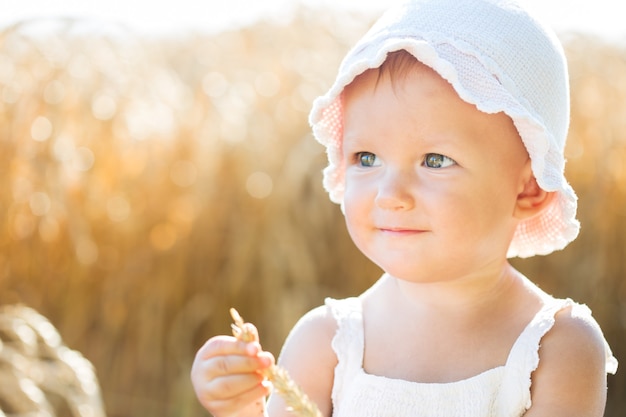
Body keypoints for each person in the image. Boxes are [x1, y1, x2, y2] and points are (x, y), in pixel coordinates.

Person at [190, 0, 618, 416]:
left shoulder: (557, 348)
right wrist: (243, 407)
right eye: (366, 158)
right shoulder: (327, 343)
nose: (389, 195)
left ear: (527, 189)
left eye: (435, 161)